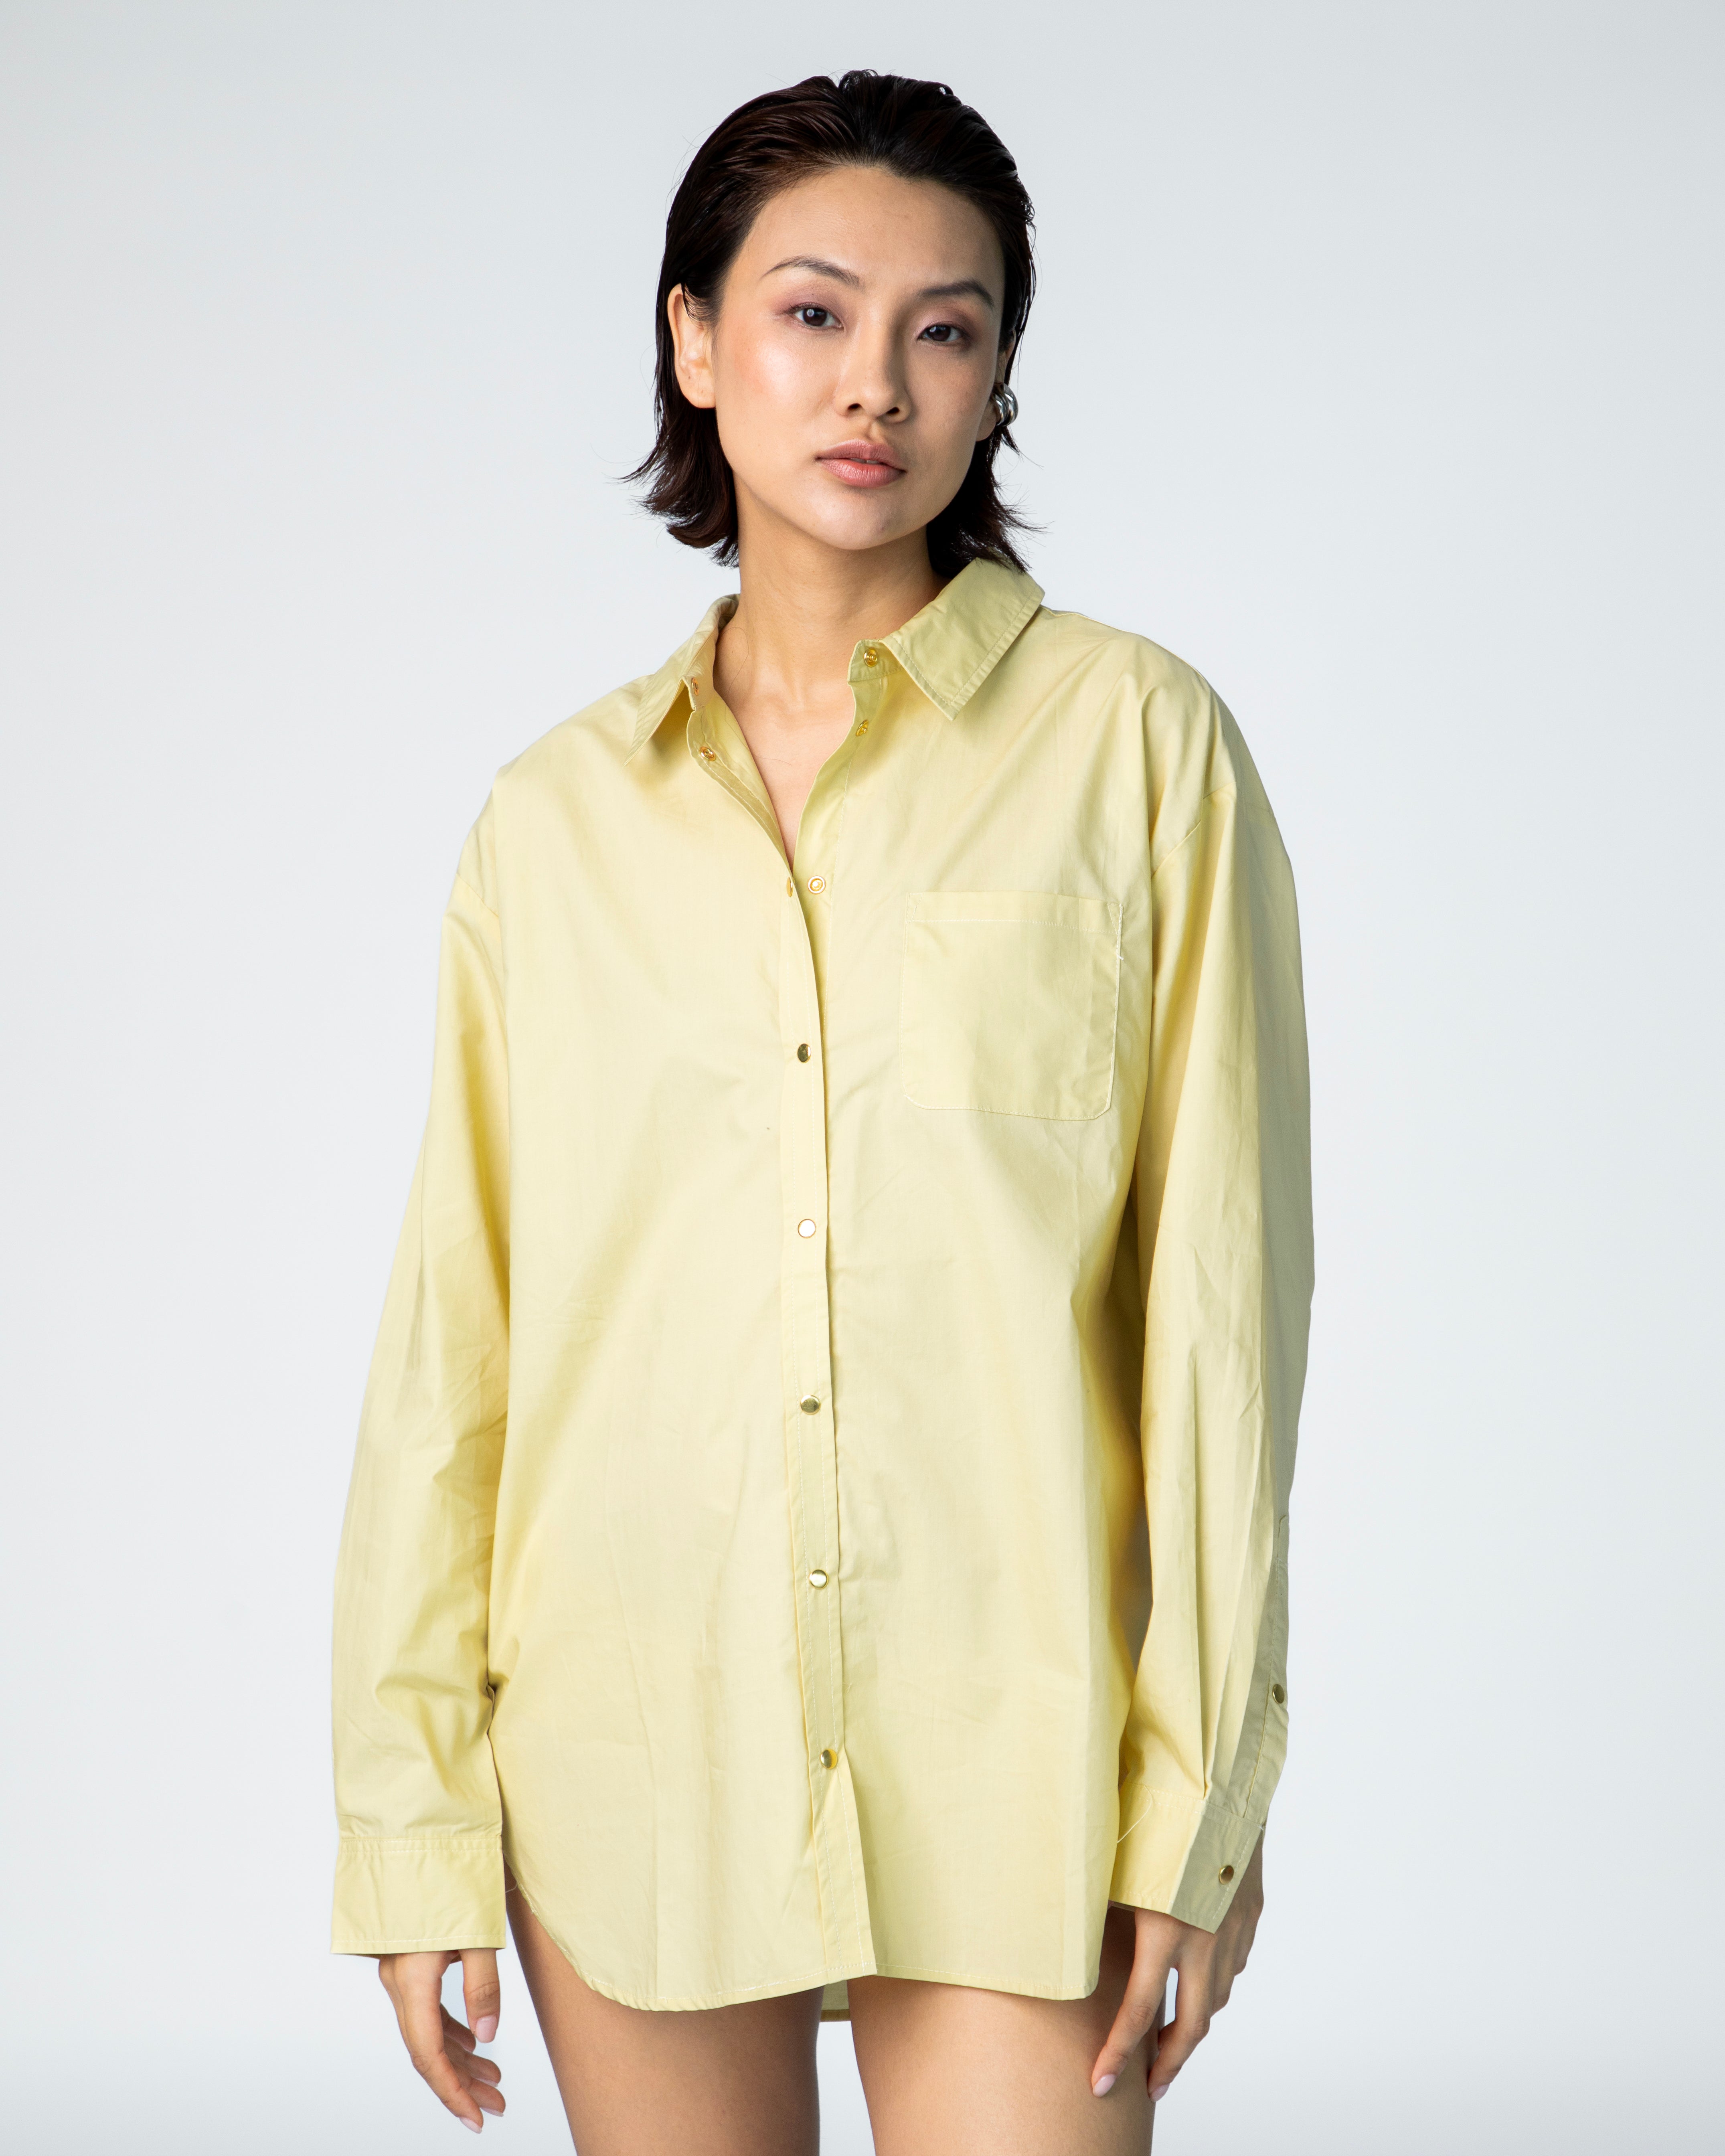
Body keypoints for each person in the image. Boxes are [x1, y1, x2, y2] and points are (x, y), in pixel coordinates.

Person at [330, 69, 1313, 2156]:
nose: (876, 381)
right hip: (630, 1751)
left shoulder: (1138, 752)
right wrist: (411, 1818)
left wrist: (1201, 1805)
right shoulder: (553, 823)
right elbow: (455, 1351)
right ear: (695, 341)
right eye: (812, 312)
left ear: (996, 381)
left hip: (1026, 1757)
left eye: (946, 328)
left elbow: (1220, 1325)